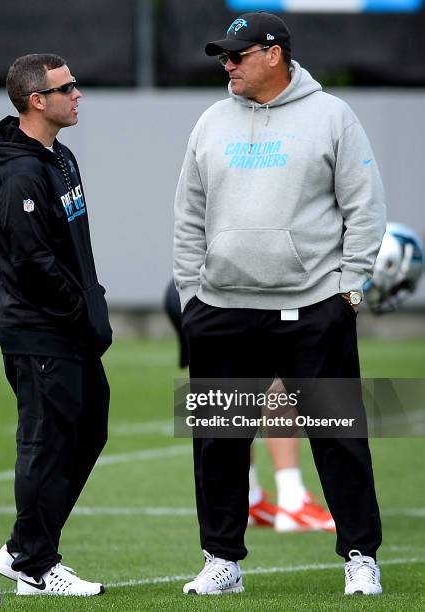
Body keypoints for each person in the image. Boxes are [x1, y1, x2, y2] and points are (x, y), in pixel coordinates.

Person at [174, 12, 386, 596]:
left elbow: (364, 207)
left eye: (238, 55)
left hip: (314, 304)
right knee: (218, 440)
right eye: (224, 56)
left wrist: (349, 285)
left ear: (275, 55)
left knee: (338, 434)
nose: (228, 65)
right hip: (221, 307)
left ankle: (360, 557)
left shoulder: (332, 116)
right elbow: (189, 213)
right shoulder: (211, 120)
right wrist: (192, 292)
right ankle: (222, 561)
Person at [0, 53, 112, 596]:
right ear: (37, 100)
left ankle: (25, 549)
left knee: (89, 430)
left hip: (73, 331)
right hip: (41, 333)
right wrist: (80, 313)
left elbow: (75, 252)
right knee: (46, 444)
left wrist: (94, 305)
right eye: (67, 88)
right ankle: (34, 563)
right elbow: (33, 265)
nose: (77, 94)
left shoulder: (61, 158)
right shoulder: (18, 174)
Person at [164, 279, 335, 531]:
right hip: (231, 295)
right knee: (277, 383)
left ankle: (250, 499)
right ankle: (293, 499)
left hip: (191, 291)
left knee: (232, 389)